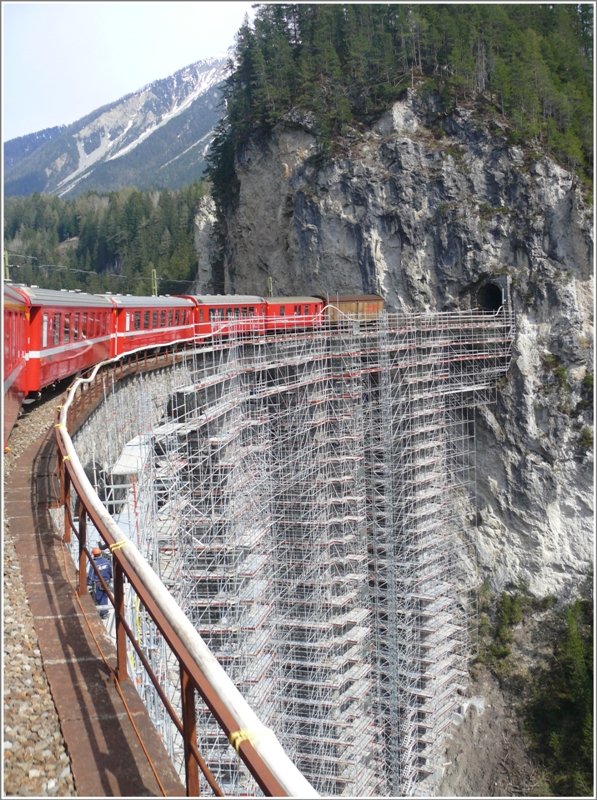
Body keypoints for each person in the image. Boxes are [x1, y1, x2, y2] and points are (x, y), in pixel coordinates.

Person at [87, 546, 113, 619]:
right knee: (104, 597)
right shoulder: (106, 561)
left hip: (98, 583)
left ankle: (102, 613)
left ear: (93, 554)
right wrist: (110, 578)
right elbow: (110, 572)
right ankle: (105, 613)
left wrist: (89, 584)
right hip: (106, 582)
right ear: (100, 553)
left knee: (98, 598)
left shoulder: (94, 563)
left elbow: (91, 575)